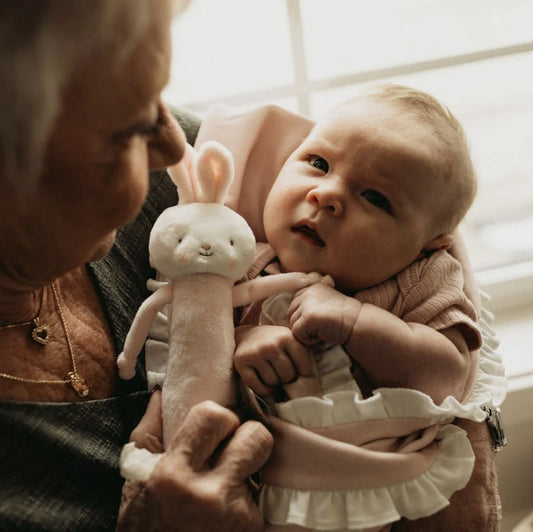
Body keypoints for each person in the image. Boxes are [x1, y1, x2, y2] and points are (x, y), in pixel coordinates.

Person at [0, 1, 272, 531]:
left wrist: (467, 426)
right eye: (131, 127)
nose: (173, 143)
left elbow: (396, 191)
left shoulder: (174, 183)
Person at [227, 85, 503, 530]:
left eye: (375, 197)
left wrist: (356, 321)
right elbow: (194, 357)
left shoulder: (420, 280)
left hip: (379, 493)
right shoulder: (243, 261)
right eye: (318, 164)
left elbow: (448, 375)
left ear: (428, 244)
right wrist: (245, 341)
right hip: (264, 486)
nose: (326, 195)